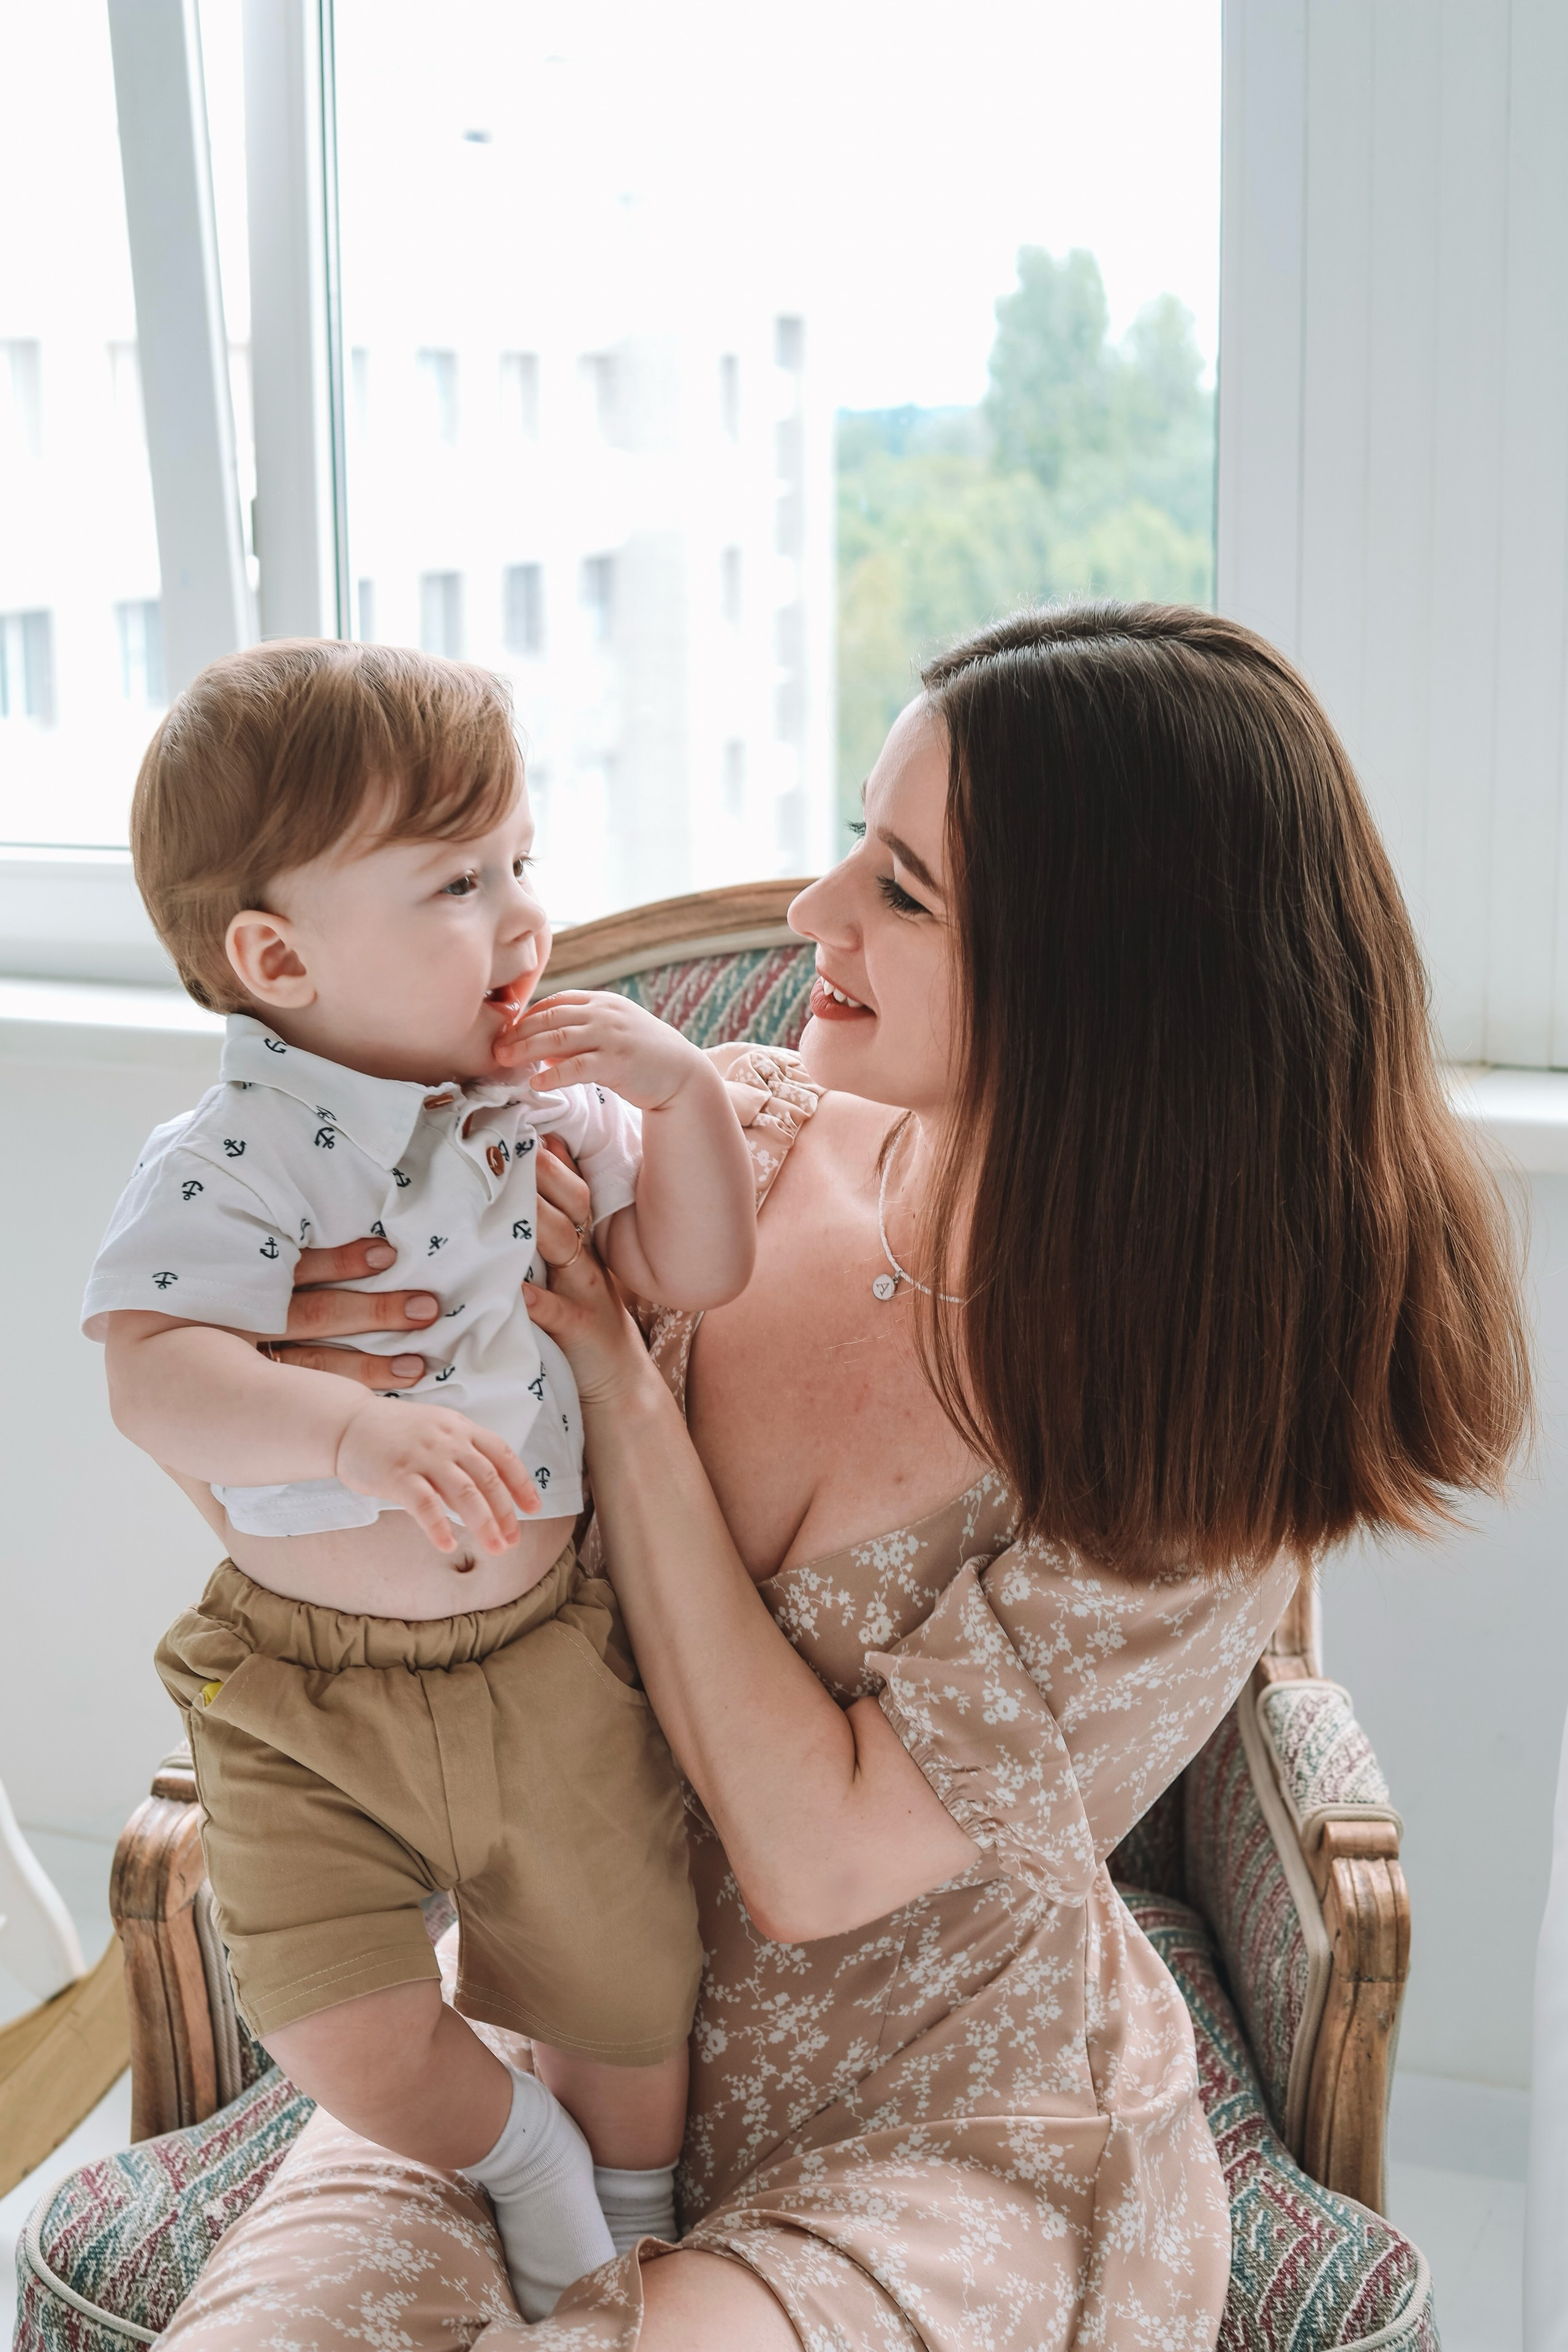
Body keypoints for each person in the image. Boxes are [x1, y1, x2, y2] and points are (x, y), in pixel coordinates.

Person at [158, 604, 1530, 2352]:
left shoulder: (1201, 1467)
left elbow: (809, 1859)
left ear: (1105, 988)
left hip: (945, 2123)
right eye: (853, 842)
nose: (813, 915)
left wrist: (621, 1404)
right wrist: (299, 1392)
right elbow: (319, 1547)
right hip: (554, 2029)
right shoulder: (727, 1139)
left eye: (904, 886)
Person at [82, 641, 758, 2315]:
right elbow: (151, 1379)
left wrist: (677, 1100)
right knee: (330, 2019)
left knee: (631, 1993)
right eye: (459, 881)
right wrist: (346, 1435)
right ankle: (516, 2151)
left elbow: (698, 1269)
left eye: (522, 862)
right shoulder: (234, 1153)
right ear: (275, 954)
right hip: (305, 1686)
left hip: (542, 1658)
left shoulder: (544, 1100)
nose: (525, 919)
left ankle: (632, 2237)